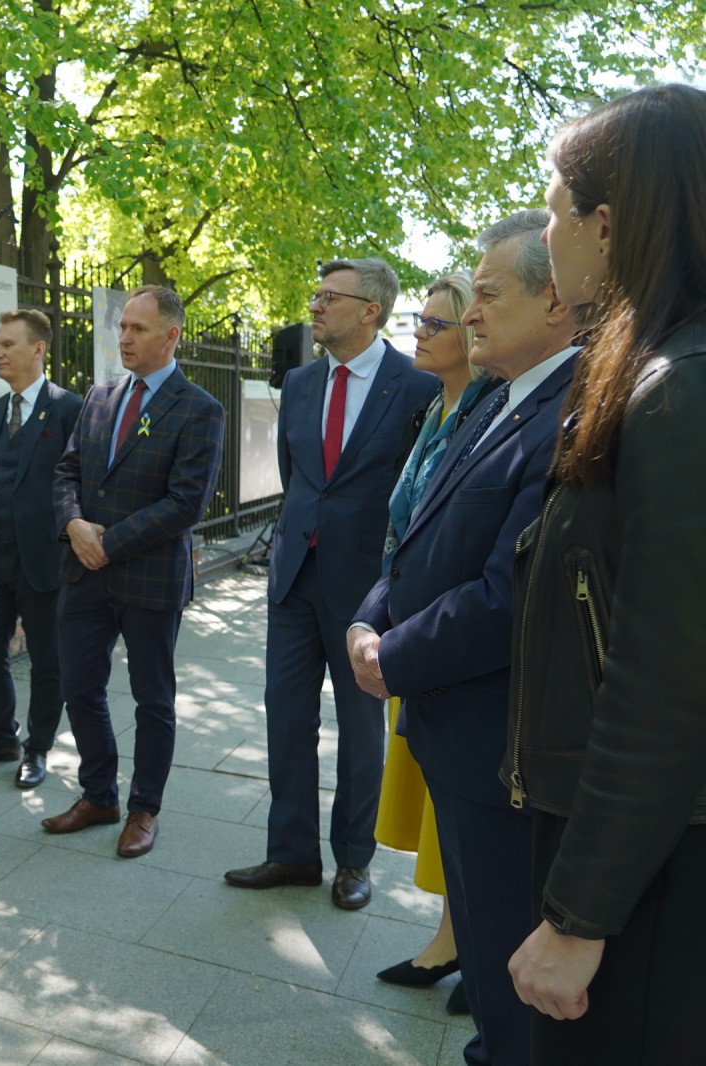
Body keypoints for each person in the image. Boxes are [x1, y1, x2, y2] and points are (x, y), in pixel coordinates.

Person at [349, 209, 581, 1066]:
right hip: (456, 735)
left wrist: (391, 654)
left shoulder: (570, 410)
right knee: (488, 976)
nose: (469, 313)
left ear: (556, 304)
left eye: (486, 294)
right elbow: (420, 537)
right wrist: (372, 610)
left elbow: (507, 594)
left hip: (499, 749)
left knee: (511, 1006)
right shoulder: (496, 399)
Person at [505, 84, 706, 1065]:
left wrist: (578, 914)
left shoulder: (680, 393)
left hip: (646, 881)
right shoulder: (652, 368)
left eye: (551, 213)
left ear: (605, 223)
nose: (547, 237)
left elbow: (665, 680)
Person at [225, 258, 437, 908]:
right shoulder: (299, 380)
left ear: (371, 310)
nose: (314, 307)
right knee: (286, 716)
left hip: (365, 590)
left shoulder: (415, 386)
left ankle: (354, 860)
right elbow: (300, 478)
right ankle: (290, 854)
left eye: (328, 297)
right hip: (293, 577)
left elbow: (418, 497)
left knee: (360, 727)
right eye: (315, 295)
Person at [43, 284, 223, 858]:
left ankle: (145, 808)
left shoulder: (200, 408)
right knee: (78, 686)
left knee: (153, 699)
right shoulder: (100, 396)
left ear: (171, 336)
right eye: (122, 327)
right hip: (84, 574)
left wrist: (108, 544)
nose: (124, 337)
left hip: (148, 579)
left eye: (138, 329)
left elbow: (186, 502)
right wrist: (74, 526)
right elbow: (66, 471)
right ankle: (100, 795)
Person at [374, 273, 498, 1012]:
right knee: (435, 805)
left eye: (433, 323)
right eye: (418, 320)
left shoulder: (485, 410)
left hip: (446, 641)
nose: (417, 332)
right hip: (410, 633)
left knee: (459, 807)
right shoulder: (434, 409)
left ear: (469, 342)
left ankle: (468, 945)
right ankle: (454, 938)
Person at [0, 309, 82, 787]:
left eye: (8, 344)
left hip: (45, 560)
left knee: (49, 659)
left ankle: (39, 747)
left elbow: (79, 481)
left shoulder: (69, 409)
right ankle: (1, 736)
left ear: (38, 349)